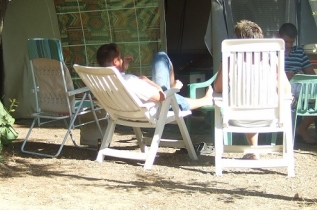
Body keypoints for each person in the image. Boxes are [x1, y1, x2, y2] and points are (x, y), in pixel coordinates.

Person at [96, 43, 212, 111]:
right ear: (116, 62)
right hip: (161, 105)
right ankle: (205, 101)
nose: (122, 60)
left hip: (125, 111)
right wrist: (150, 81)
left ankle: (173, 92)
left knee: (160, 57)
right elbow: (161, 97)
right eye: (120, 58)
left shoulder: (101, 82)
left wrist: (122, 69)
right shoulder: (130, 82)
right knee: (161, 56)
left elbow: (118, 79)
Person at [213, 20, 264, 159]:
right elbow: (286, 89)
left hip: (238, 117)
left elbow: (218, 87)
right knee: (253, 99)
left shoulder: (231, 58)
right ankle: (254, 150)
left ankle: (254, 150)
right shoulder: (271, 59)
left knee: (246, 100)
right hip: (267, 117)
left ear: (239, 41)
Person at [278, 22, 317, 145]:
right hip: (280, 87)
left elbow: (312, 75)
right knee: (290, 101)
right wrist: (284, 76)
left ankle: (302, 128)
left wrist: (301, 75)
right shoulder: (273, 51)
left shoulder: (299, 52)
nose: (289, 45)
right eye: (286, 42)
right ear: (278, 37)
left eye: (291, 42)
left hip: (299, 86)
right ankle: (288, 132)